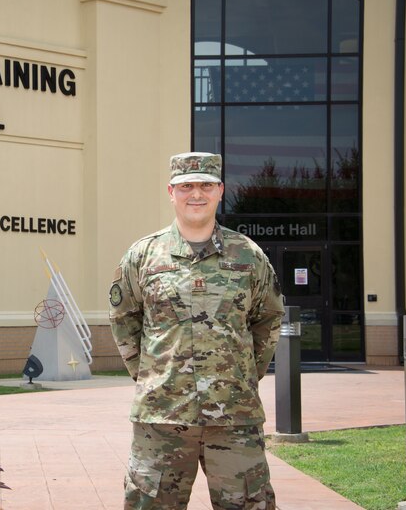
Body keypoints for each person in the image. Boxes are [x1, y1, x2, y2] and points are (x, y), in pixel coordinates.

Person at [109, 152, 284, 510]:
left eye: (206, 185)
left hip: (234, 416)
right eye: (186, 186)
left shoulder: (249, 256)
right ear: (170, 192)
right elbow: (124, 319)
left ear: (220, 190)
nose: (196, 194)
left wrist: (243, 375)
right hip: (161, 417)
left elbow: (268, 319)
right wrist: (152, 375)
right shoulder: (143, 256)